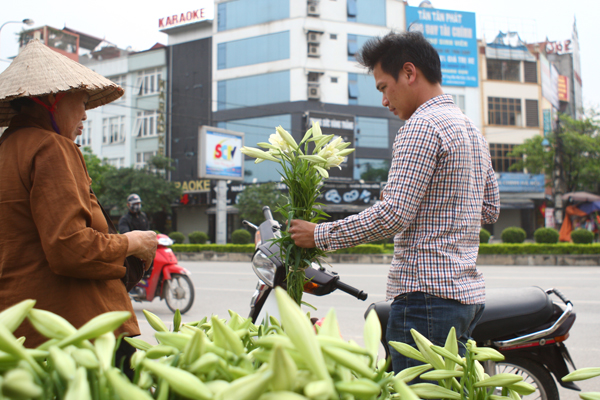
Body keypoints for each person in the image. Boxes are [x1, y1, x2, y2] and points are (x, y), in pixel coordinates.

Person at [289, 31, 500, 374]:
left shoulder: (421, 127)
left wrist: (319, 235)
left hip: (425, 298)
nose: (384, 101)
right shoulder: (471, 130)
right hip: (464, 296)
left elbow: (393, 216)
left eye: (384, 87)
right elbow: (489, 210)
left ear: (409, 72)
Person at [0, 40, 157, 375]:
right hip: (79, 332)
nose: (86, 113)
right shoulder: (52, 146)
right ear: (54, 99)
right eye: (82, 101)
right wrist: (135, 243)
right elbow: (70, 248)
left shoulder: (6, 149)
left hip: (18, 335)